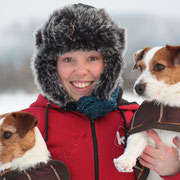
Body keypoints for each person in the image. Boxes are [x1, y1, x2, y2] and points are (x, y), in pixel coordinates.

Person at [24, 3, 180, 180]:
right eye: (68, 59)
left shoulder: (139, 118)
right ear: (51, 66)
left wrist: (173, 171)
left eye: (92, 58)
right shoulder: (24, 125)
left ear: (109, 64)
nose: (81, 71)